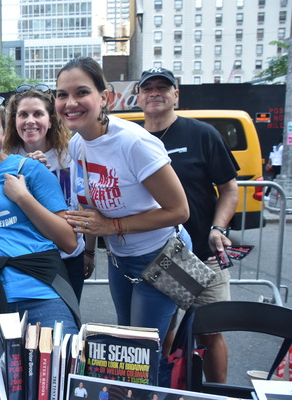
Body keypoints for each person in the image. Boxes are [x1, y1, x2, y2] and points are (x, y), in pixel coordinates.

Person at [55, 57, 189, 347]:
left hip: (164, 256)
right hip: (120, 260)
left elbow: (180, 210)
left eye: (81, 92)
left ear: (104, 97)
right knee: (129, 340)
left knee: (143, 349)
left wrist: (112, 225)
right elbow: (88, 205)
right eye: (62, 94)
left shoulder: (134, 143)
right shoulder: (78, 142)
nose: (70, 102)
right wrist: (89, 253)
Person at [136, 66, 239, 384]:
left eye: (163, 87)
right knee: (161, 335)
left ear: (176, 95)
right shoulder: (130, 139)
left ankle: (216, 393)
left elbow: (230, 189)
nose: (155, 92)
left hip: (202, 257)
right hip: (158, 257)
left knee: (209, 332)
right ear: (138, 97)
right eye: (148, 87)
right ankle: (165, 390)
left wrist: (218, 228)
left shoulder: (202, 134)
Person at [0, 93, 81, 355]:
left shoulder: (31, 170)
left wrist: (24, 198)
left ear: (4, 132)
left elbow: (69, 242)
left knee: (55, 382)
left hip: (41, 294)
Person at [4, 83, 90, 301]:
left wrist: (89, 251)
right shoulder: (5, 157)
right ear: (14, 122)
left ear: (50, 120)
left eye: (38, 114)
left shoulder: (72, 154)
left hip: (69, 256)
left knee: (67, 323)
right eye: (23, 114)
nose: (30, 121)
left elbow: (88, 206)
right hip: (27, 257)